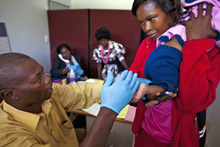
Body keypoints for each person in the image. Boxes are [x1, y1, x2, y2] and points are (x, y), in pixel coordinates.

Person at [129, 0, 220, 147]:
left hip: (177, 139)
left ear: (172, 13)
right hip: (144, 131)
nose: (146, 28)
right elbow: (131, 81)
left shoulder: (209, 49)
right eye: (141, 22)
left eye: (151, 19)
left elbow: (194, 103)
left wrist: (195, 45)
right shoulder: (147, 45)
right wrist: (146, 93)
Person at [0, 52, 139, 147]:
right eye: (38, 78)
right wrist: (109, 111)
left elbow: (83, 91)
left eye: (43, 72)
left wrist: (121, 87)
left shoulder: (50, 94)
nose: (47, 79)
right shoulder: (8, 137)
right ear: (10, 94)